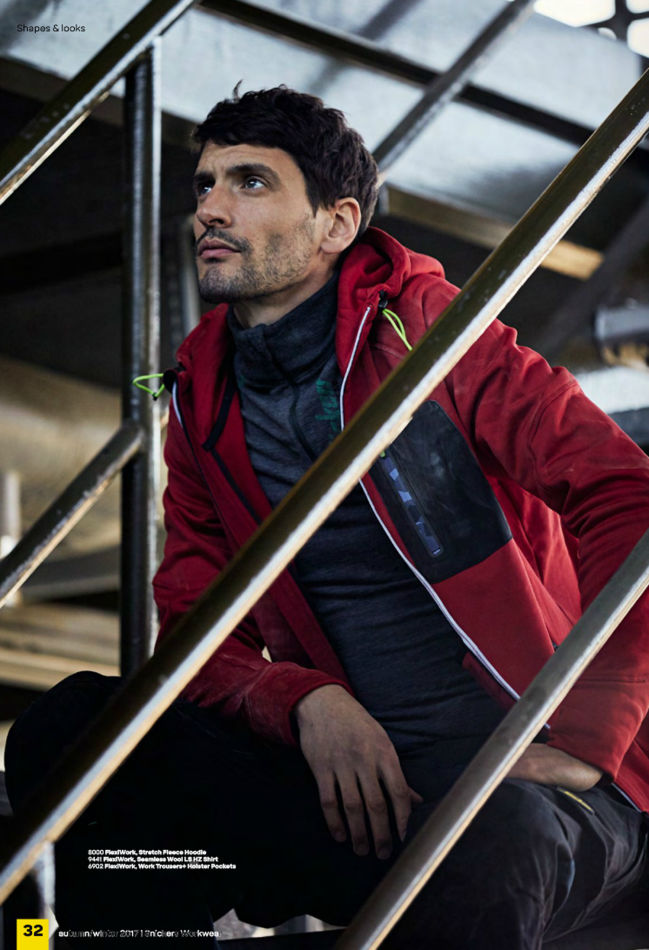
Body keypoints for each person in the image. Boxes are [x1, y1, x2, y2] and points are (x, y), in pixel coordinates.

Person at [6, 86, 649, 949]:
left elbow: (626, 496)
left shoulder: (435, 334)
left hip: (545, 796)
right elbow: (195, 624)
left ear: (337, 223)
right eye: (204, 185)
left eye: (251, 182)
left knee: (498, 838)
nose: (210, 210)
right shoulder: (200, 396)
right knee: (78, 730)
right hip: (365, 804)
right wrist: (305, 701)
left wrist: (585, 735)